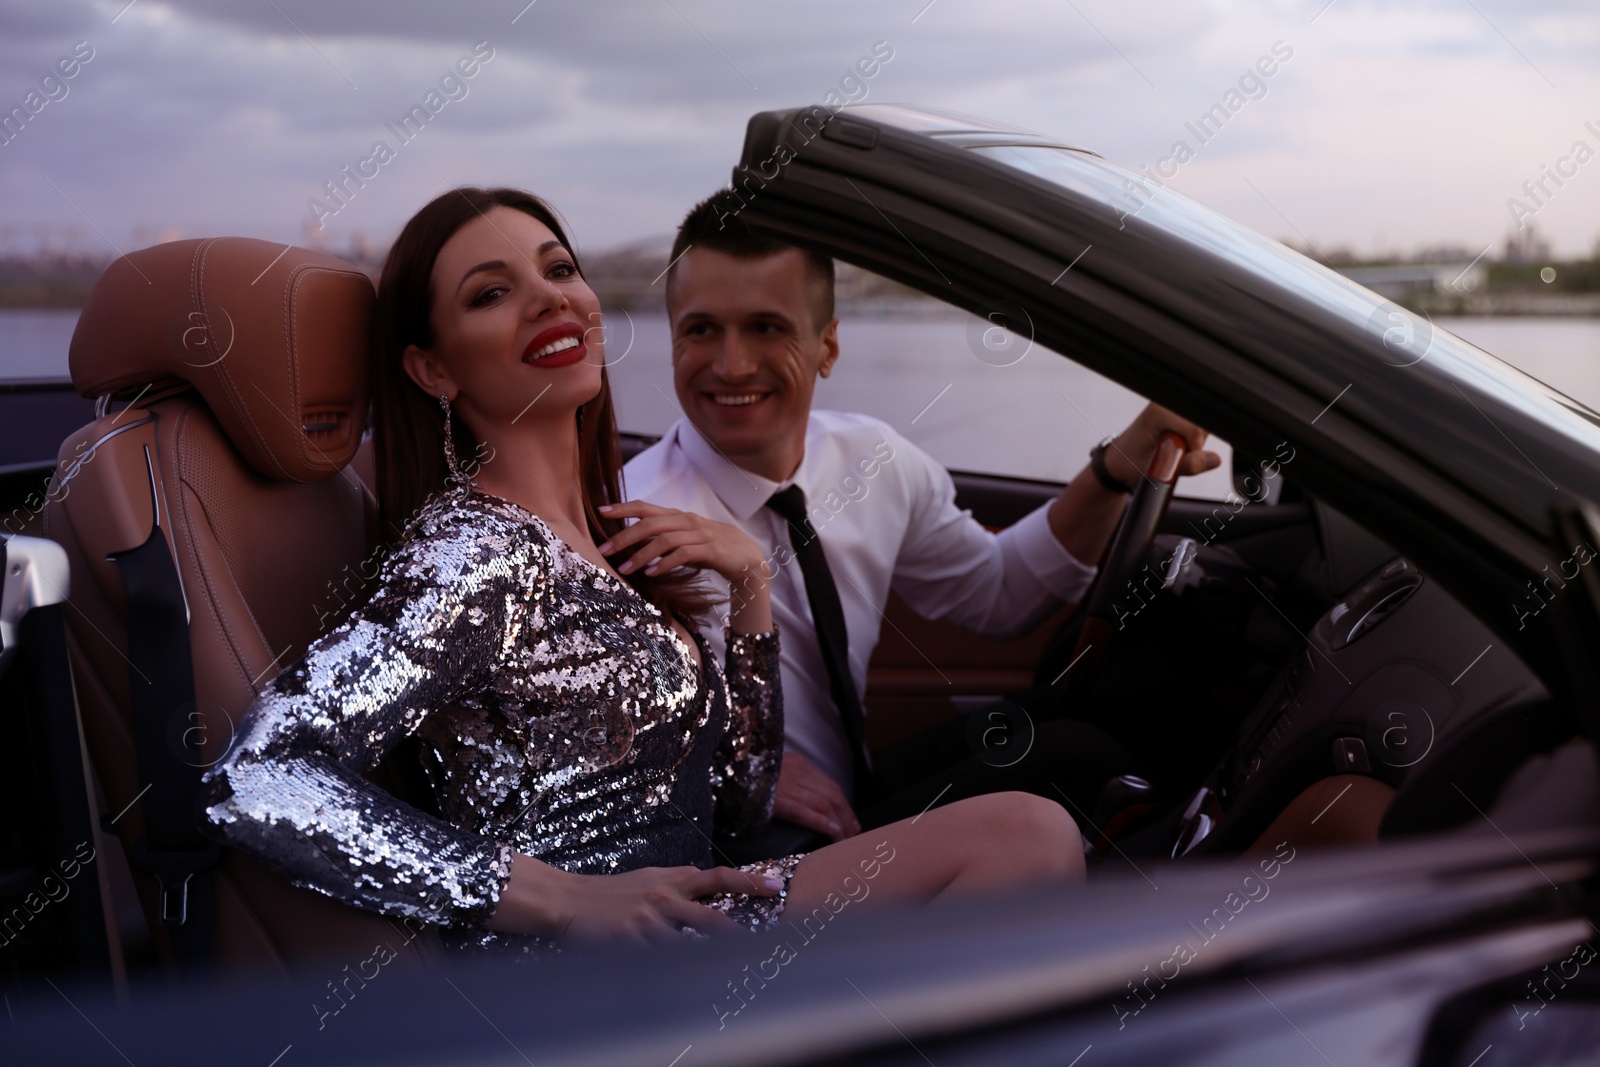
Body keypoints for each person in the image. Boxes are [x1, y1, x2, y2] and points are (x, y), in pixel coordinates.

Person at [199, 187, 1083, 956]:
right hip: (592, 970)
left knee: (1030, 824)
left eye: (558, 270)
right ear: (433, 368)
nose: (548, 299)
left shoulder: (616, 537)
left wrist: (750, 594)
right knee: (1027, 835)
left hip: (692, 911)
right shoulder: (476, 554)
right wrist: (556, 896)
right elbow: (257, 774)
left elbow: (732, 813)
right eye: (493, 293)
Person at [620, 194, 1220, 857]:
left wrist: (1114, 470)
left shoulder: (873, 459)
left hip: (850, 786)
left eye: (767, 327)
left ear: (828, 346)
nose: (731, 365)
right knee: (1075, 763)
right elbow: (578, 750)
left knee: (1097, 725)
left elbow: (999, 595)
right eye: (701, 330)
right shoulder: (631, 517)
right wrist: (719, 766)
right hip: (748, 843)